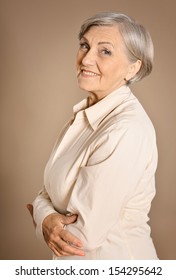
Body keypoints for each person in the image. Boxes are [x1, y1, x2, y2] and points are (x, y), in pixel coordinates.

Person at [28, 12, 158, 259]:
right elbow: (46, 191)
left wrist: (40, 214)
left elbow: (79, 238)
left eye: (105, 51)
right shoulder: (85, 116)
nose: (86, 59)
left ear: (133, 67)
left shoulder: (125, 130)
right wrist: (45, 217)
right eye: (85, 45)